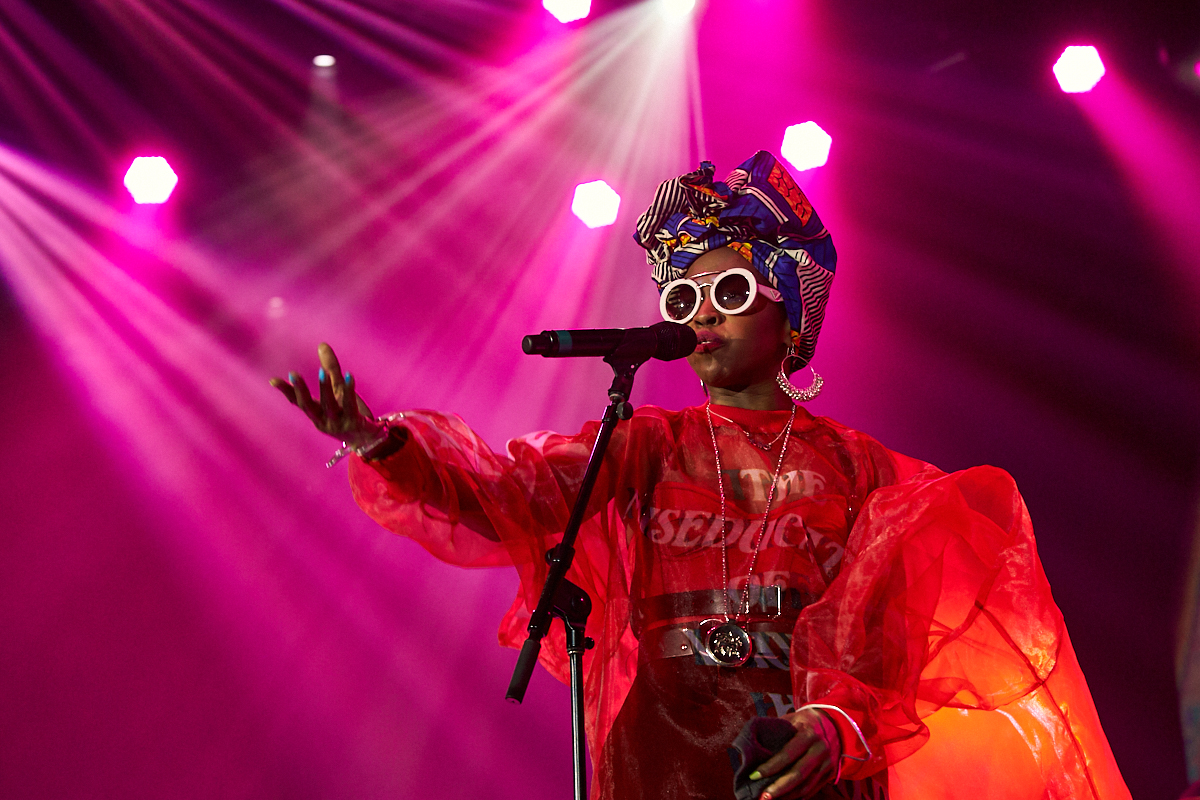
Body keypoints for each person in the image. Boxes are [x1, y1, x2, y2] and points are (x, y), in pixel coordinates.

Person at [271, 152, 1131, 799]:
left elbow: (889, 632)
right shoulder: (645, 440)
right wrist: (382, 441)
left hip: (799, 757)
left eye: (724, 294)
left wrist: (839, 720)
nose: (701, 319)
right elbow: (514, 497)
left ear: (788, 311)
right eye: (681, 300)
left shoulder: (860, 466)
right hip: (663, 754)